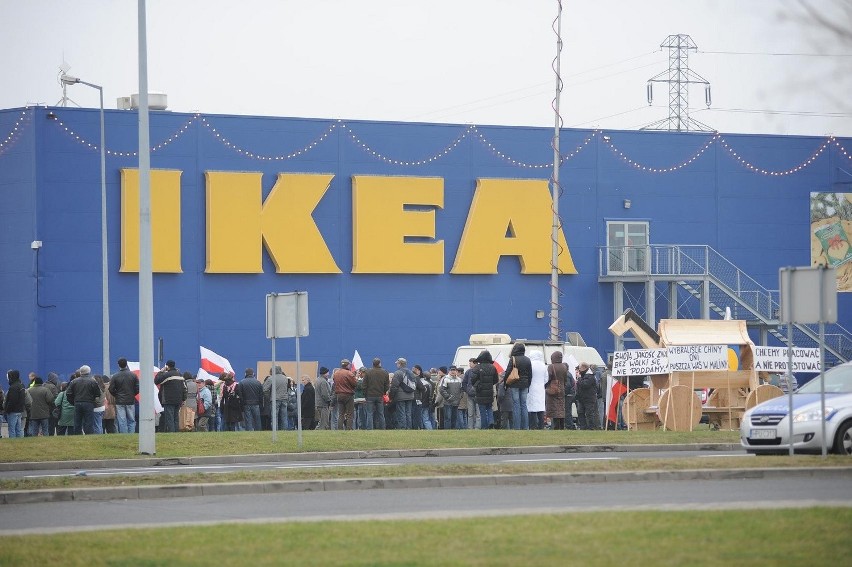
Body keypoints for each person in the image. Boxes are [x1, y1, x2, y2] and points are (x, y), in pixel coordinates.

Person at [505, 341, 532, 430]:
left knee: (516, 405)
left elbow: (508, 372)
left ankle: (517, 427)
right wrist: (528, 385)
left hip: (514, 384)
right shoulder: (528, 359)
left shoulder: (513, 359)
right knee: (524, 405)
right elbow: (530, 374)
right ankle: (525, 427)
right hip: (525, 385)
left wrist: (506, 383)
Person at [154, 360, 187, 433]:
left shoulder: (167, 375)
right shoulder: (180, 375)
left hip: (168, 400)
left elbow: (156, 381)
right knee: (176, 418)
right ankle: (176, 432)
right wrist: (184, 399)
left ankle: (172, 433)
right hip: (178, 400)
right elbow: (184, 388)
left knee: (169, 418)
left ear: (167, 366)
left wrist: (161, 372)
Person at [67, 365, 101, 435]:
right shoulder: (93, 381)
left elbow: (68, 393)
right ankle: (88, 436)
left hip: (77, 403)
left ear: (80, 372)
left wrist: (73, 402)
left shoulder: (74, 381)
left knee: (77, 422)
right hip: (89, 403)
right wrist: (93, 401)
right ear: (89, 372)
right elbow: (98, 393)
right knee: (88, 421)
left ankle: (77, 436)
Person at [109, 358, 139, 433]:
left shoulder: (115, 376)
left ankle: (124, 435)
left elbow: (111, 389)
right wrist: (132, 394)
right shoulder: (133, 375)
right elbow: (138, 388)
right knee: (131, 420)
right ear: (126, 364)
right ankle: (131, 435)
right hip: (130, 400)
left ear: (118, 365)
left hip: (120, 401)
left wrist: (117, 395)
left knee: (122, 420)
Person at [470, 350, 498, 429]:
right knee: (489, 408)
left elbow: (472, 379)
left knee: (482, 410)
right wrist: (489, 384)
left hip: (480, 392)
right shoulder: (493, 367)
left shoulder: (477, 367)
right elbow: (496, 380)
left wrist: (477, 384)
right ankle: (491, 422)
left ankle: (484, 427)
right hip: (489, 391)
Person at [390, 357, 417, 430]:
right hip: (410, 395)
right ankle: (409, 427)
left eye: (397, 363)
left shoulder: (398, 373)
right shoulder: (411, 373)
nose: (396, 365)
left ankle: (403, 428)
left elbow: (394, 386)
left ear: (400, 364)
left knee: (401, 413)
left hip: (400, 396)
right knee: (408, 413)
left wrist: (391, 397)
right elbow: (415, 384)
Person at [363, 358, 389, 430]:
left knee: (369, 413)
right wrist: (383, 392)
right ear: (380, 363)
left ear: (373, 364)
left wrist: (365, 395)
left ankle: (369, 429)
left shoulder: (368, 372)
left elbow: (364, 385)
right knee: (381, 413)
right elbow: (387, 386)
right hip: (380, 395)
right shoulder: (385, 372)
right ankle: (383, 428)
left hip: (370, 396)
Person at [545, 351, 568, 430]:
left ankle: (555, 427)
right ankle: (562, 426)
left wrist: (546, 386)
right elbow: (565, 379)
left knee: (554, 409)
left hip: (553, 389)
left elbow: (548, 377)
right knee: (561, 408)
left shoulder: (551, 366)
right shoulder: (564, 366)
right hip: (562, 389)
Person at [333, 359, 357, 430]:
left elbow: (335, 384)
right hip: (348, 395)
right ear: (348, 365)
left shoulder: (336, 373)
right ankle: (348, 429)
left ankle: (340, 429)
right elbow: (355, 384)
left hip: (339, 395)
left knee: (341, 414)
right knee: (349, 414)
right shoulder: (349, 373)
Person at [263, 366, 289, 431]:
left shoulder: (271, 378)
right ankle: (284, 430)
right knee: (284, 416)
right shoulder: (285, 378)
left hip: (275, 399)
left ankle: (275, 430)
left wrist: (269, 396)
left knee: (274, 416)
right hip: (284, 399)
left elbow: (265, 389)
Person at [527, 351, 547, 430]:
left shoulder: (530, 364)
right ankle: (541, 426)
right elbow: (546, 378)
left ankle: (533, 426)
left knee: (532, 408)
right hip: (541, 389)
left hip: (531, 388)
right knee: (540, 408)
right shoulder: (543, 365)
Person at [576, 362, 600, 430]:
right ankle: (583, 427)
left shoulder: (590, 376)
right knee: (580, 413)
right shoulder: (584, 376)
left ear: (584, 368)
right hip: (581, 398)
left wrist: (579, 378)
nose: (579, 370)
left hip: (589, 399)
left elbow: (584, 385)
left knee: (589, 414)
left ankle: (591, 427)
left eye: (580, 368)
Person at [413, 364, 434, 430]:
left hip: (420, 402)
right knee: (426, 419)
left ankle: (421, 429)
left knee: (419, 418)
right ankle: (430, 430)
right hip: (427, 403)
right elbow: (430, 394)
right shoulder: (430, 383)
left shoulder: (417, 381)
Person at [461, 358, 480, 429]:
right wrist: (467, 390)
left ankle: (477, 427)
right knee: (470, 413)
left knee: (478, 413)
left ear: (475, 363)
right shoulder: (468, 372)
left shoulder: (479, 371)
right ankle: (470, 428)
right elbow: (464, 382)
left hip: (478, 395)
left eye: (470, 363)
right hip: (470, 395)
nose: (469, 364)